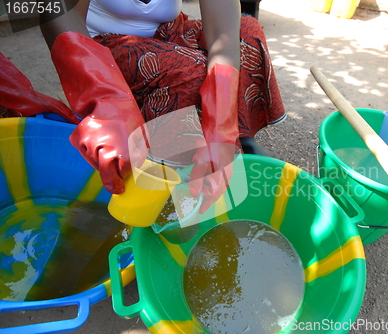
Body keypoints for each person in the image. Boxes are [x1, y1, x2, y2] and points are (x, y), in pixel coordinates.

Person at [1, 0, 286, 213]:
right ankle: (176, 196)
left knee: (247, 31)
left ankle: (239, 139)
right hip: (104, 46)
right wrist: (105, 96)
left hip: (168, 31)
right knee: (190, 73)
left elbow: (223, 29)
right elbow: (55, 7)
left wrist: (222, 124)